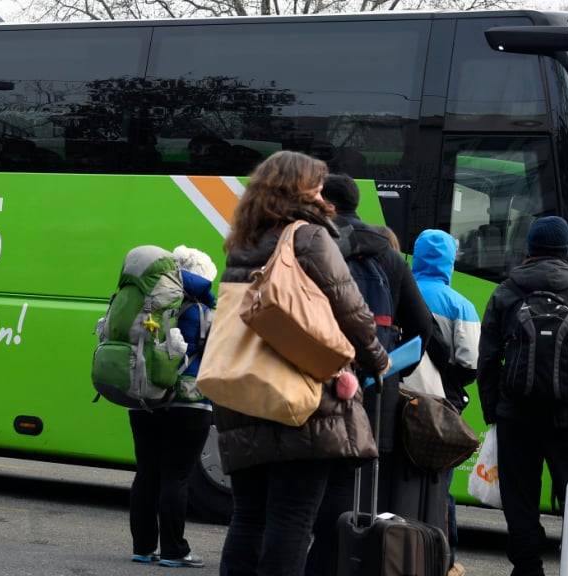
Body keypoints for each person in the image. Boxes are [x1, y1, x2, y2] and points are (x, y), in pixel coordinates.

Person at [216, 151, 389, 576]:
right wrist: (377, 359)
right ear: (298, 188)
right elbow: (351, 310)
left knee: (248, 515)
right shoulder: (308, 236)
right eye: (315, 183)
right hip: (300, 393)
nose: (321, 191)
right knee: (292, 518)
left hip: (244, 391)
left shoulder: (243, 241)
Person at [305, 174, 432, 576]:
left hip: (318, 379)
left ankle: (315, 562)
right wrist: (390, 368)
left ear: (325, 203)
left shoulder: (314, 245)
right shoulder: (390, 257)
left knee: (313, 477)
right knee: (361, 479)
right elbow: (422, 325)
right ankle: (352, 561)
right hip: (376, 388)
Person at [476, 216, 568, 576]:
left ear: (530, 248)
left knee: (519, 497)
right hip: (567, 416)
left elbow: (488, 356)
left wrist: (493, 408)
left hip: (515, 414)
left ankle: (527, 568)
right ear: (566, 250)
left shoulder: (506, 291)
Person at [128, 245, 216, 569]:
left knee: (147, 471)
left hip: (144, 396)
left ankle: (143, 546)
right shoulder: (203, 309)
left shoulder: (148, 302)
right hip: (188, 402)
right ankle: (174, 550)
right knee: (176, 476)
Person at [412, 229, 481, 576]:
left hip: (395, 402)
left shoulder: (397, 293)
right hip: (438, 409)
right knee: (439, 484)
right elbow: (469, 366)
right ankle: (443, 561)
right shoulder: (460, 305)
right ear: (450, 262)